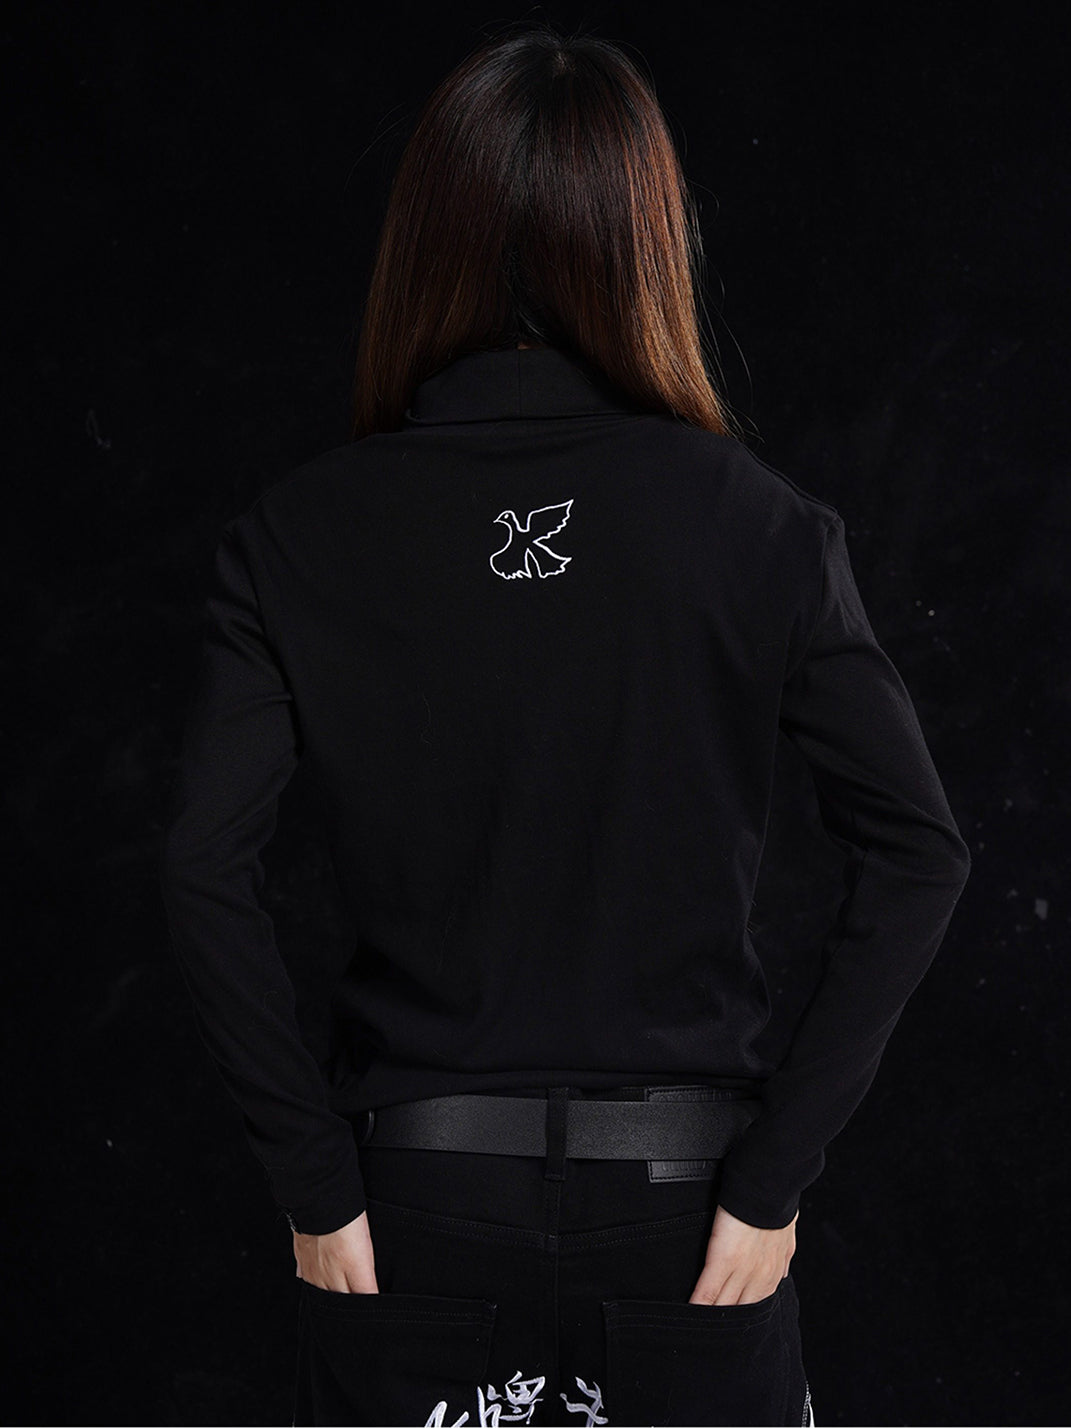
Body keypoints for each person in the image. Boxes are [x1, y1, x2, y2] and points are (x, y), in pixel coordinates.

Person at [158, 21, 971, 1428]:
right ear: (649, 243)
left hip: (412, 1216)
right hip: (687, 1219)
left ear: (425, 241)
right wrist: (770, 1184)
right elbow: (920, 854)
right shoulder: (758, 528)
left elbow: (197, 867)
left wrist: (317, 1188)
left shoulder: (300, 535)